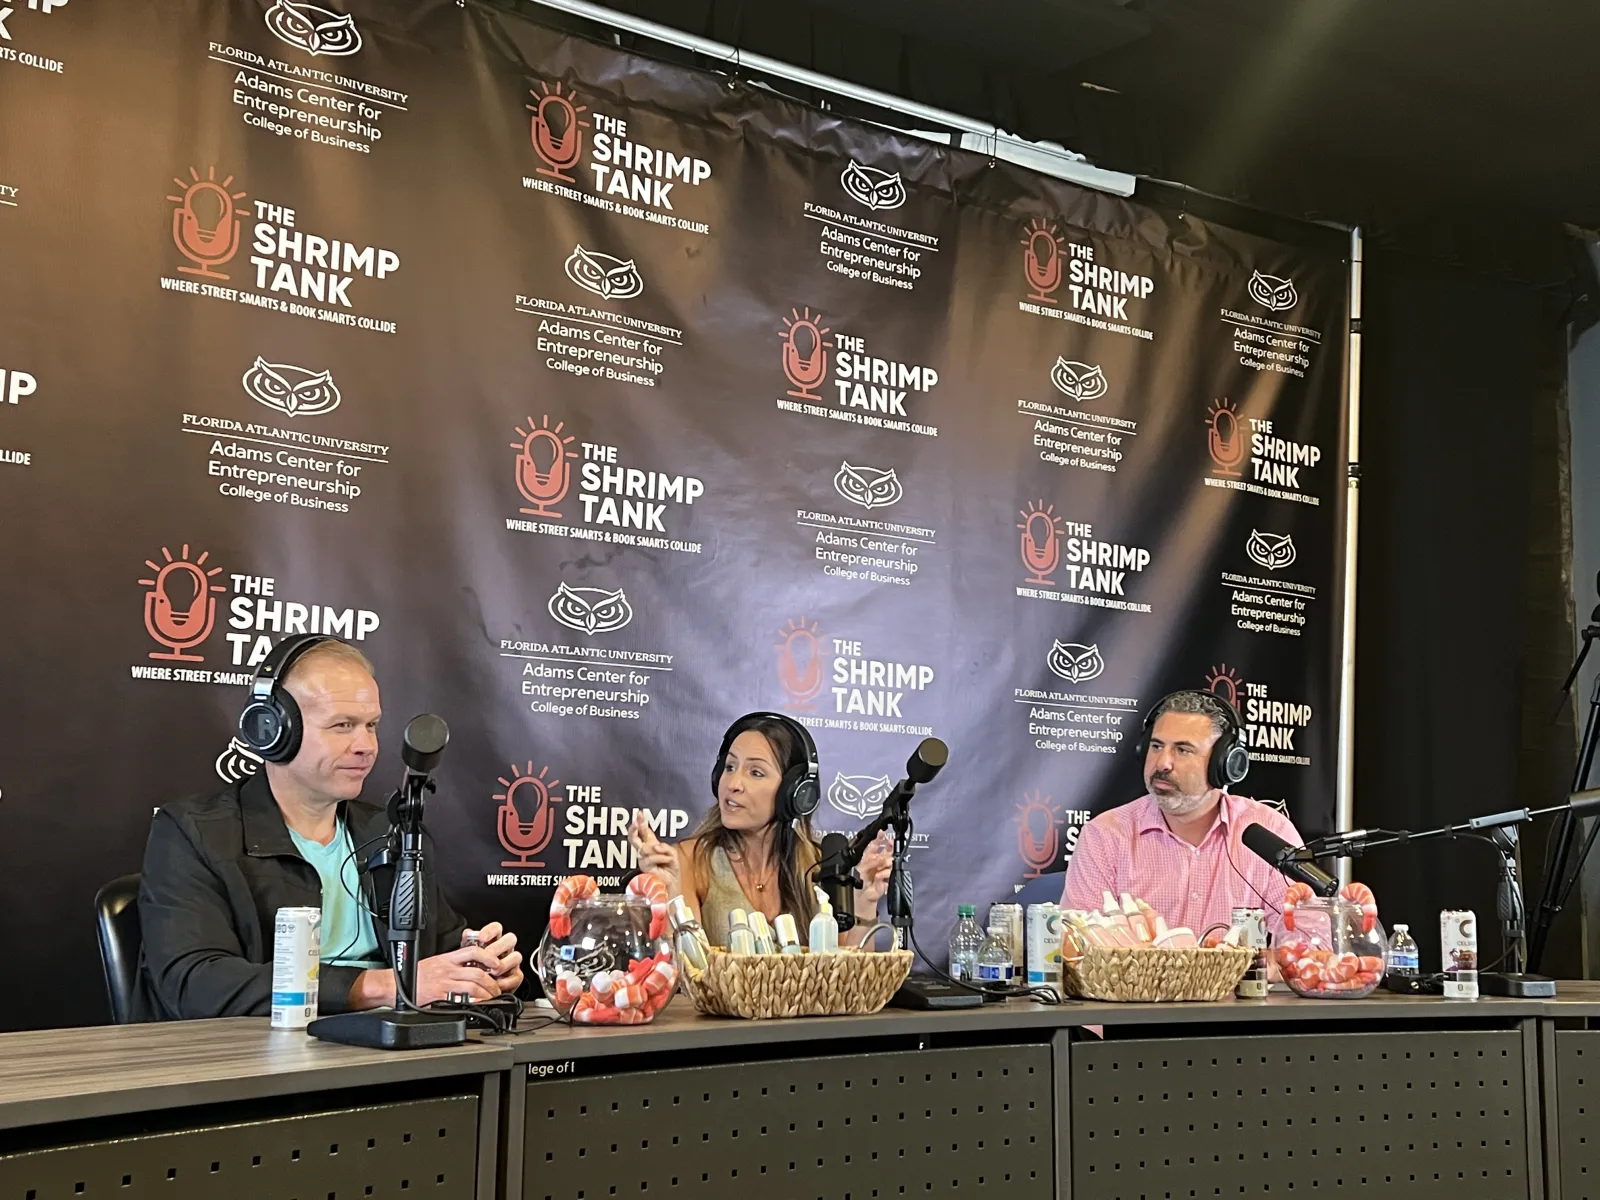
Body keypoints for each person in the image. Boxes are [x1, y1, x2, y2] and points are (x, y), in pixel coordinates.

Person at [136, 635, 524, 1020]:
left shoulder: (387, 831)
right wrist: (382, 987)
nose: (366, 745)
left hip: (391, 1058)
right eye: (342, 725)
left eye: (371, 725)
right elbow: (196, 984)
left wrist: (478, 964)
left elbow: (435, 949)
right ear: (273, 730)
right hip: (253, 1065)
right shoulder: (192, 832)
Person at [629, 712, 894, 949]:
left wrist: (864, 901)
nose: (733, 783)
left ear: (795, 793)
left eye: (755, 773)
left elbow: (848, 975)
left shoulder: (818, 864)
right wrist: (670, 888)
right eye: (730, 767)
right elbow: (688, 972)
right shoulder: (689, 860)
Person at [1061, 689, 1303, 940]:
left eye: (1182, 750)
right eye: (1156, 746)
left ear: (1225, 763)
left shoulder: (1269, 831)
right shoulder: (1105, 835)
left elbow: (1306, 939)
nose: (1163, 763)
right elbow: (1077, 945)